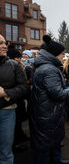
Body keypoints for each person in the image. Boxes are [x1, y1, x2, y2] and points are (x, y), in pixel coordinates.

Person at [30, 35, 69, 164]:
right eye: (62, 54)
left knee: (52, 139)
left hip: (47, 111)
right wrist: (68, 90)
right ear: (54, 54)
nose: (63, 57)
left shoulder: (46, 66)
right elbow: (58, 94)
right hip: (47, 113)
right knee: (44, 144)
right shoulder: (49, 70)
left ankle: (56, 159)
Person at [0, 34, 28, 164]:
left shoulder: (13, 65)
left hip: (7, 112)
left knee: (6, 151)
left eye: (4, 43)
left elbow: (23, 87)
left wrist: (5, 93)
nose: (5, 46)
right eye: (0, 43)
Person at [7, 45, 30, 151]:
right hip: (11, 101)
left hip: (19, 100)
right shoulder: (8, 69)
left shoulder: (20, 67)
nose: (19, 59)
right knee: (13, 125)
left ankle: (19, 139)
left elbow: (22, 83)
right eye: (16, 58)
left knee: (18, 121)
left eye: (19, 57)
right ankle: (14, 144)